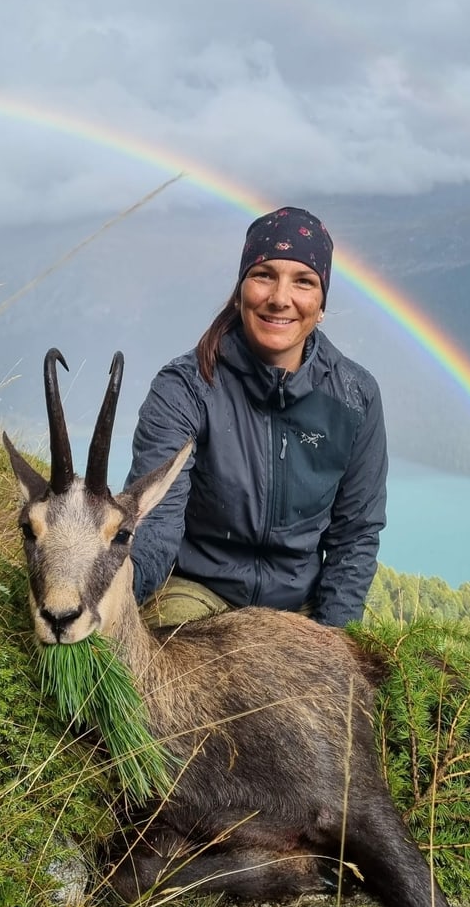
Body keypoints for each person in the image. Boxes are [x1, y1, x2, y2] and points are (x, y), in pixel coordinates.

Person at [126, 206, 388, 629]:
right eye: (264, 274)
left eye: (303, 281)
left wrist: (337, 642)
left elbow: (355, 535)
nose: (280, 298)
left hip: (297, 606)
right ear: (240, 290)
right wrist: (118, 599)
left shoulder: (356, 398)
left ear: (321, 305)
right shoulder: (185, 388)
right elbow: (154, 518)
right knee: (174, 676)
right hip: (196, 591)